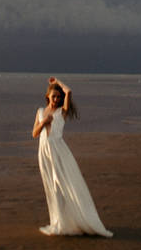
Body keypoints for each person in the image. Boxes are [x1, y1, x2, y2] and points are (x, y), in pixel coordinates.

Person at [32, 76, 113, 237]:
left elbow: (69, 91)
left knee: (64, 185)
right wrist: (43, 122)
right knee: (52, 188)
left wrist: (58, 82)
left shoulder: (62, 112)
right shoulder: (40, 112)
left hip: (58, 151)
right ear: (48, 96)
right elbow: (34, 134)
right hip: (44, 152)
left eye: (58, 97)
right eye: (53, 96)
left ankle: (76, 219)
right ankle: (59, 222)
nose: (56, 99)